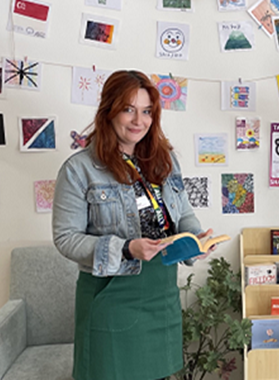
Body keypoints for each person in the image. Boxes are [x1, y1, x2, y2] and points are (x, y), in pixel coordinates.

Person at [52, 70, 215, 380]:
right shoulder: (79, 169)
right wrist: (126, 249)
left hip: (162, 294)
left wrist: (196, 238)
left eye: (146, 111)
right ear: (109, 110)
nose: (138, 120)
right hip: (111, 295)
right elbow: (65, 238)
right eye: (128, 109)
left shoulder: (165, 160)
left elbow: (182, 214)